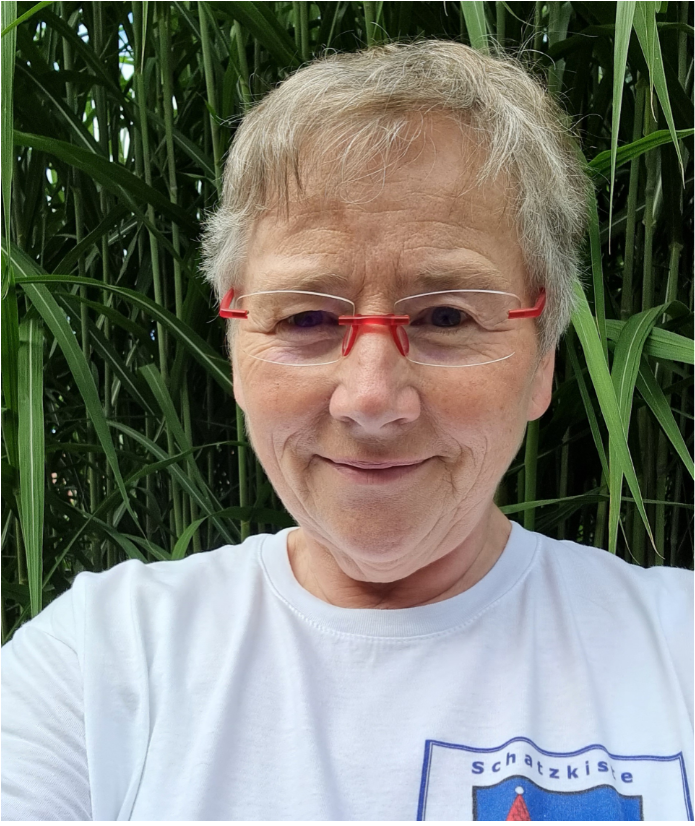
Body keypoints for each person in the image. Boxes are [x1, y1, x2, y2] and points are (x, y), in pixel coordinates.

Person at [2, 41, 692, 822]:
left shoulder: (677, 653)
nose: (369, 398)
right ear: (236, 352)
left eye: (445, 316)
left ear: (541, 363)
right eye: (305, 318)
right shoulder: (101, 663)